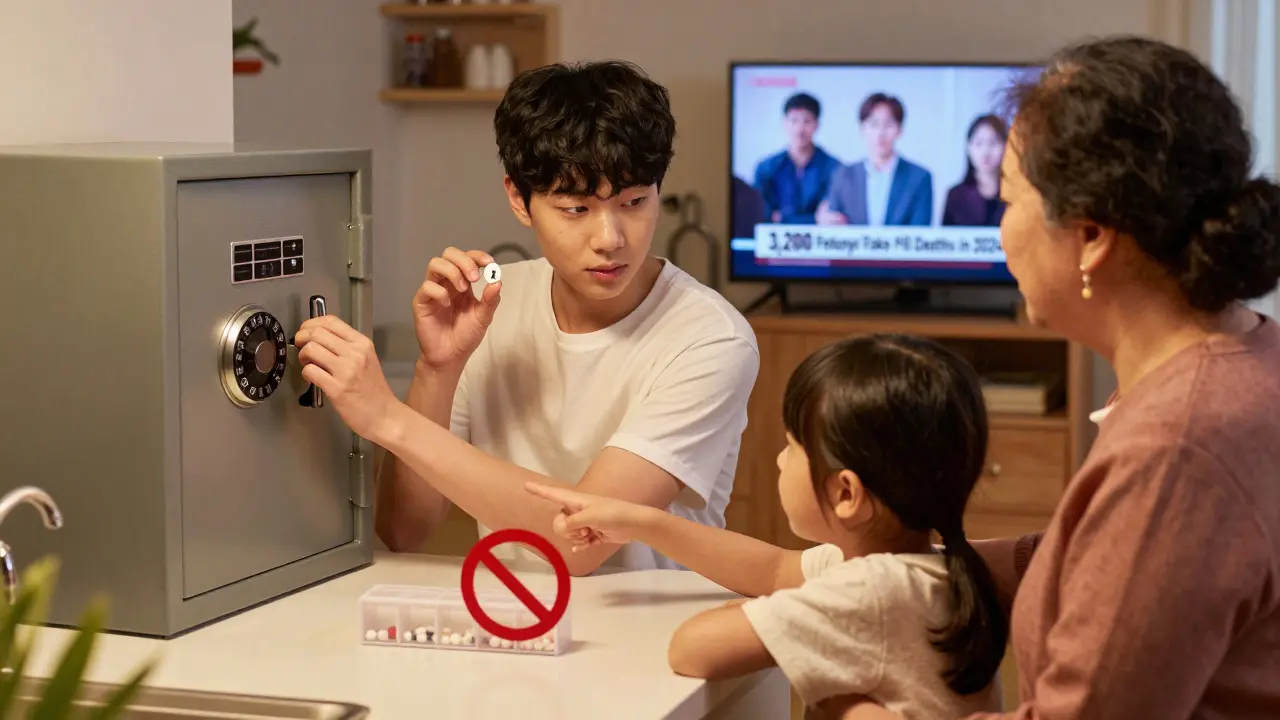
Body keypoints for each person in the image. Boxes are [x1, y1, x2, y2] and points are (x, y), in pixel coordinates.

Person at [840, 35, 1280, 720]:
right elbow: (1105, 567)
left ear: (1091, 234)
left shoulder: (1180, 446)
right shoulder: (1239, 358)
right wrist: (898, 571)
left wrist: (857, 714)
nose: (999, 231)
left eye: (1011, 201)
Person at [293, 60, 760, 575]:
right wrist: (437, 368)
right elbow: (404, 530)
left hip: (654, 639)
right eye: (576, 210)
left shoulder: (710, 339)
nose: (610, 239)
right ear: (519, 198)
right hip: (509, 624)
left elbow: (579, 544)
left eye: (634, 202)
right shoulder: (492, 305)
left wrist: (385, 417)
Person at [526, 334, 1007, 719]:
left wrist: (778, 613)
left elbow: (692, 650)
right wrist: (643, 521)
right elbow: (772, 569)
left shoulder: (871, 591)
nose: (779, 460)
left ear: (846, 494)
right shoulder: (918, 569)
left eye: (792, 446)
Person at [816, 93, 933, 227]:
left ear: (899, 130)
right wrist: (825, 219)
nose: (880, 133)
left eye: (888, 125)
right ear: (862, 129)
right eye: (874, 124)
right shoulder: (843, 176)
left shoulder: (919, 178)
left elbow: (920, 233)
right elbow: (832, 223)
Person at [752, 92, 843, 224]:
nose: (799, 129)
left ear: (817, 124)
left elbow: (831, 217)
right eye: (794, 120)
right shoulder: (766, 168)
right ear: (785, 123)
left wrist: (782, 218)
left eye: (807, 121)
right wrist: (815, 219)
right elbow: (762, 216)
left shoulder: (834, 169)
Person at [941, 114, 1007, 227]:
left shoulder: (1016, 195)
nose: (985, 152)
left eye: (993, 143)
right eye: (978, 143)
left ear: (1006, 146)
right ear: (968, 148)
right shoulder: (956, 196)